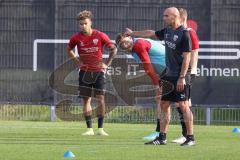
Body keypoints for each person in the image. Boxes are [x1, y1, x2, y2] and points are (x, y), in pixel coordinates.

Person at [125, 7, 195, 146]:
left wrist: (182, 77)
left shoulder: (184, 34)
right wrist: (133, 33)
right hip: (167, 74)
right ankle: (162, 137)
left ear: (175, 16)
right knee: (164, 104)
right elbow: (151, 33)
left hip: (180, 75)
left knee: (183, 105)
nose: (164, 18)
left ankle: (190, 138)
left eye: (166, 16)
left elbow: (187, 57)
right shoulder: (167, 31)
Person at [67, 10, 117, 136]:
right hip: (84, 73)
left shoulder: (100, 35)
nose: (83, 26)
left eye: (85, 23)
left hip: (98, 73)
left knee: (101, 100)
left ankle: (100, 129)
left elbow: (113, 49)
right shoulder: (76, 38)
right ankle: (89, 129)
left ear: (90, 23)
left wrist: (107, 64)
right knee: (86, 100)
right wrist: (77, 61)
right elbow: (69, 49)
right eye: (81, 24)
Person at [115, 34, 166, 141]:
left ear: (129, 37)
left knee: (179, 103)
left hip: (171, 71)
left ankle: (185, 135)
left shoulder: (139, 44)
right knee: (162, 102)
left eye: (123, 39)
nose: (122, 43)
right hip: (165, 73)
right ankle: (161, 133)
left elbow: (148, 66)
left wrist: (157, 85)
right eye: (120, 43)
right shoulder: (134, 50)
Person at [172, 8, 199, 144]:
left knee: (182, 104)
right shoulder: (182, 33)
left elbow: (193, 54)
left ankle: (187, 135)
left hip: (188, 73)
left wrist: (190, 72)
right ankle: (186, 135)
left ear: (181, 19)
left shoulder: (189, 33)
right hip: (184, 72)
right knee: (183, 103)